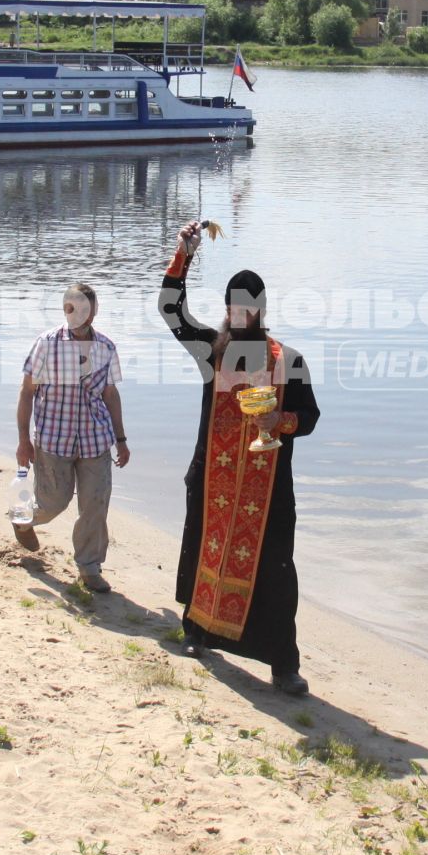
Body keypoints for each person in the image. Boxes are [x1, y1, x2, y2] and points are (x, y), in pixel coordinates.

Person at [159, 220, 321, 695]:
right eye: (234, 304)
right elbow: (171, 311)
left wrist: (281, 423)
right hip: (212, 477)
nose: (241, 312)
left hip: (267, 489)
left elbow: (309, 416)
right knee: (203, 552)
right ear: (227, 308)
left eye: (249, 306)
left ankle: (283, 665)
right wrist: (183, 255)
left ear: (262, 309)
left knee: (276, 570)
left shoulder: (287, 359)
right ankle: (196, 631)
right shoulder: (211, 349)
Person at [13, 283, 130, 592]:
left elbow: (110, 393)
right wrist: (23, 440)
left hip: (95, 439)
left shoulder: (105, 347)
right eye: (76, 309)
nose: (84, 316)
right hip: (54, 440)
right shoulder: (46, 344)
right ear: (66, 309)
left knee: (95, 504)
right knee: (54, 502)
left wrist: (121, 438)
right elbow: (27, 393)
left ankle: (89, 568)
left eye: (89, 310)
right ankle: (24, 518)